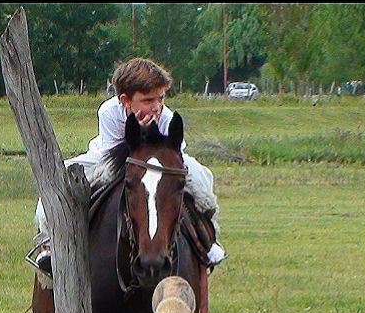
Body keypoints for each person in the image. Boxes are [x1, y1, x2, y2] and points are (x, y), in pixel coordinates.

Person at [32, 57, 225, 274]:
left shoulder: (167, 118)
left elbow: (172, 153)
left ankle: (210, 237)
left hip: (160, 160)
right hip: (109, 156)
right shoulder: (108, 112)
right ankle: (47, 241)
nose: (157, 106)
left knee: (202, 176)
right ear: (125, 100)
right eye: (148, 100)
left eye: (161, 98)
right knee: (59, 178)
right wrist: (138, 132)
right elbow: (115, 156)